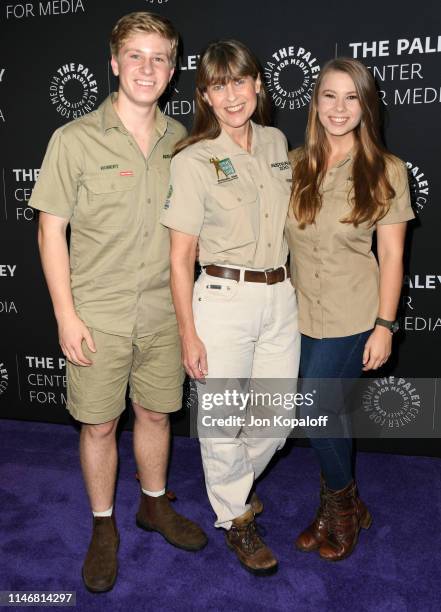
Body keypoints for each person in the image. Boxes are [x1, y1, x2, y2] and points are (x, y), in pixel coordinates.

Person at [30, 11, 207, 593]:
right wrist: (65, 315)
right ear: (113, 62)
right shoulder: (73, 139)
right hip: (97, 315)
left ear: (173, 67)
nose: (147, 67)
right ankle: (103, 525)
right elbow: (50, 231)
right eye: (136, 55)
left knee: (156, 413)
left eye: (159, 57)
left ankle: (153, 505)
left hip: (163, 311)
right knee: (101, 426)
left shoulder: (186, 141)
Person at [161, 39, 300, 576]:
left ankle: (232, 488)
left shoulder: (275, 141)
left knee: (277, 418)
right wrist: (187, 334)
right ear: (206, 96)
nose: (232, 94)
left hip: (280, 298)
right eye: (219, 86)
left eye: (239, 81)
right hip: (221, 299)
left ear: (258, 84)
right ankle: (237, 518)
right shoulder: (194, 160)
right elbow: (180, 260)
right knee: (221, 422)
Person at [285, 57, 414, 561]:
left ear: (366, 104)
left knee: (316, 406)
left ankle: (342, 510)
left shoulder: (387, 169)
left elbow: (393, 255)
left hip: (354, 314)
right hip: (294, 315)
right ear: (315, 102)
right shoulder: (294, 164)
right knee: (327, 412)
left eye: (351, 97)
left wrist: (384, 326)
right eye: (329, 96)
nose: (339, 108)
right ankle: (340, 506)